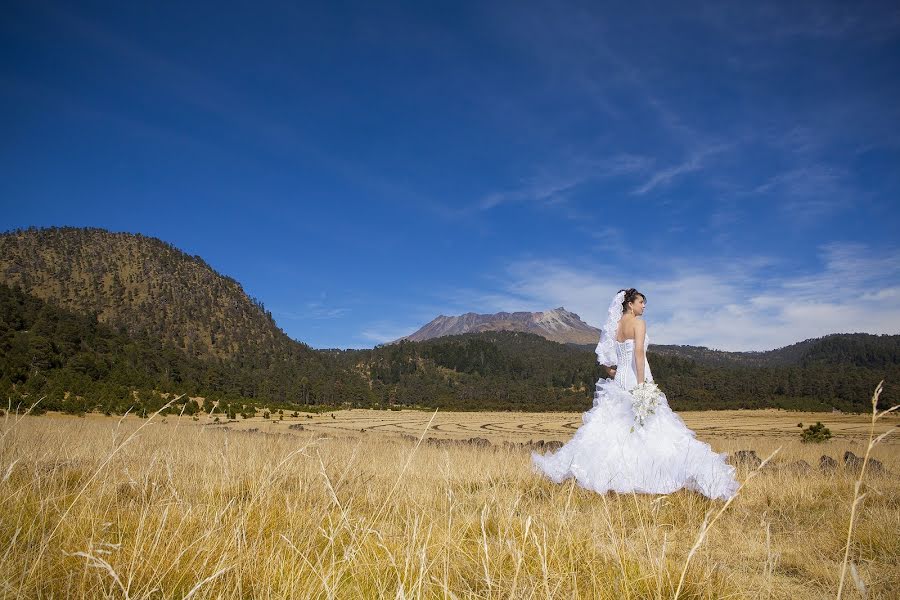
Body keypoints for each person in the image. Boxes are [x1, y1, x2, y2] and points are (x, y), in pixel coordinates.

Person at [531, 288, 740, 501]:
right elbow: (639, 352)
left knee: (612, 428)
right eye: (641, 302)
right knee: (652, 428)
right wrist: (642, 385)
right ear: (630, 304)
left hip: (620, 379)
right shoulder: (638, 324)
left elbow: (604, 357)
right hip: (636, 378)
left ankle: (611, 476)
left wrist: (612, 371)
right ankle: (650, 476)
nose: (644, 306)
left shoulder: (615, 326)